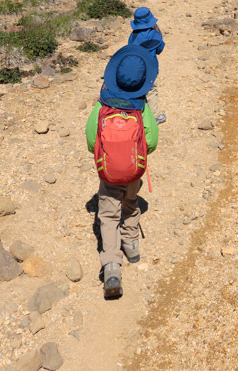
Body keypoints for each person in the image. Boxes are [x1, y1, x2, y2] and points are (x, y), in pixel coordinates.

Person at [85, 44, 159, 299]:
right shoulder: (142, 108)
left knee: (107, 215)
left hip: (108, 172)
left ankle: (112, 266)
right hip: (133, 169)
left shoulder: (101, 107)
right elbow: (151, 141)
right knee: (130, 202)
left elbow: (90, 139)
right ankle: (132, 245)